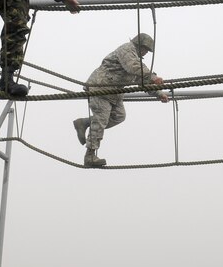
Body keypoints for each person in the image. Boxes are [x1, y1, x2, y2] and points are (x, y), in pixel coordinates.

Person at [73, 33, 170, 167]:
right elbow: (133, 67)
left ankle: (84, 123)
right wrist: (152, 77)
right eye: (146, 49)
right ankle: (89, 156)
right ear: (139, 45)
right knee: (101, 119)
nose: (146, 53)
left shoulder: (136, 58)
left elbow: (142, 80)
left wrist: (159, 93)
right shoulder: (127, 50)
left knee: (119, 116)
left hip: (114, 93)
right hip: (101, 87)